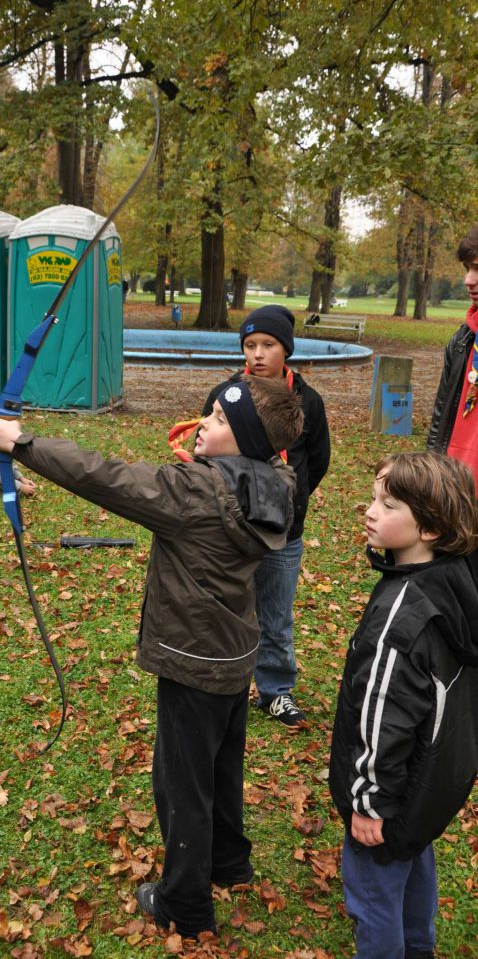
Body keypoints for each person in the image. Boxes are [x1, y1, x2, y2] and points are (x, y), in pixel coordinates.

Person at [0, 376, 304, 939]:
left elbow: (107, 477)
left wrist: (20, 443)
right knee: (221, 768)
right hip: (235, 654)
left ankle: (183, 903)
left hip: (192, 658)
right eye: (209, 413)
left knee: (182, 784)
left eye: (221, 421)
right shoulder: (278, 480)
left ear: (247, 439)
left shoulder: (194, 493)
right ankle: (230, 863)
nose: (205, 422)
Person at [329, 451, 478, 959]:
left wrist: (369, 801)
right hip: (431, 785)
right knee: (413, 862)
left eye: (388, 505)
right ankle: (419, 947)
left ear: (431, 528)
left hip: (390, 794)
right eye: (374, 498)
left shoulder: (401, 613)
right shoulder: (457, 582)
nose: (370, 511)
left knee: (373, 895)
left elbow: (383, 714)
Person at [201, 305, 330, 727]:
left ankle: (275, 689)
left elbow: (318, 459)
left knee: (275, 612)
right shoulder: (227, 394)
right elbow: (206, 450)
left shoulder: (307, 400)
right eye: (250, 344)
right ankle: (221, 684)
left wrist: (291, 502)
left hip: (283, 532)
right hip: (230, 529)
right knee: (226, 607)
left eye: (268, 345)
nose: (258, 353)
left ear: (286, 350)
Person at [428, 224, 478, 487]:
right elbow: (440, 418)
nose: (469, 280)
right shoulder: (462, 341)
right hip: (454, 493)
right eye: (468, 268)